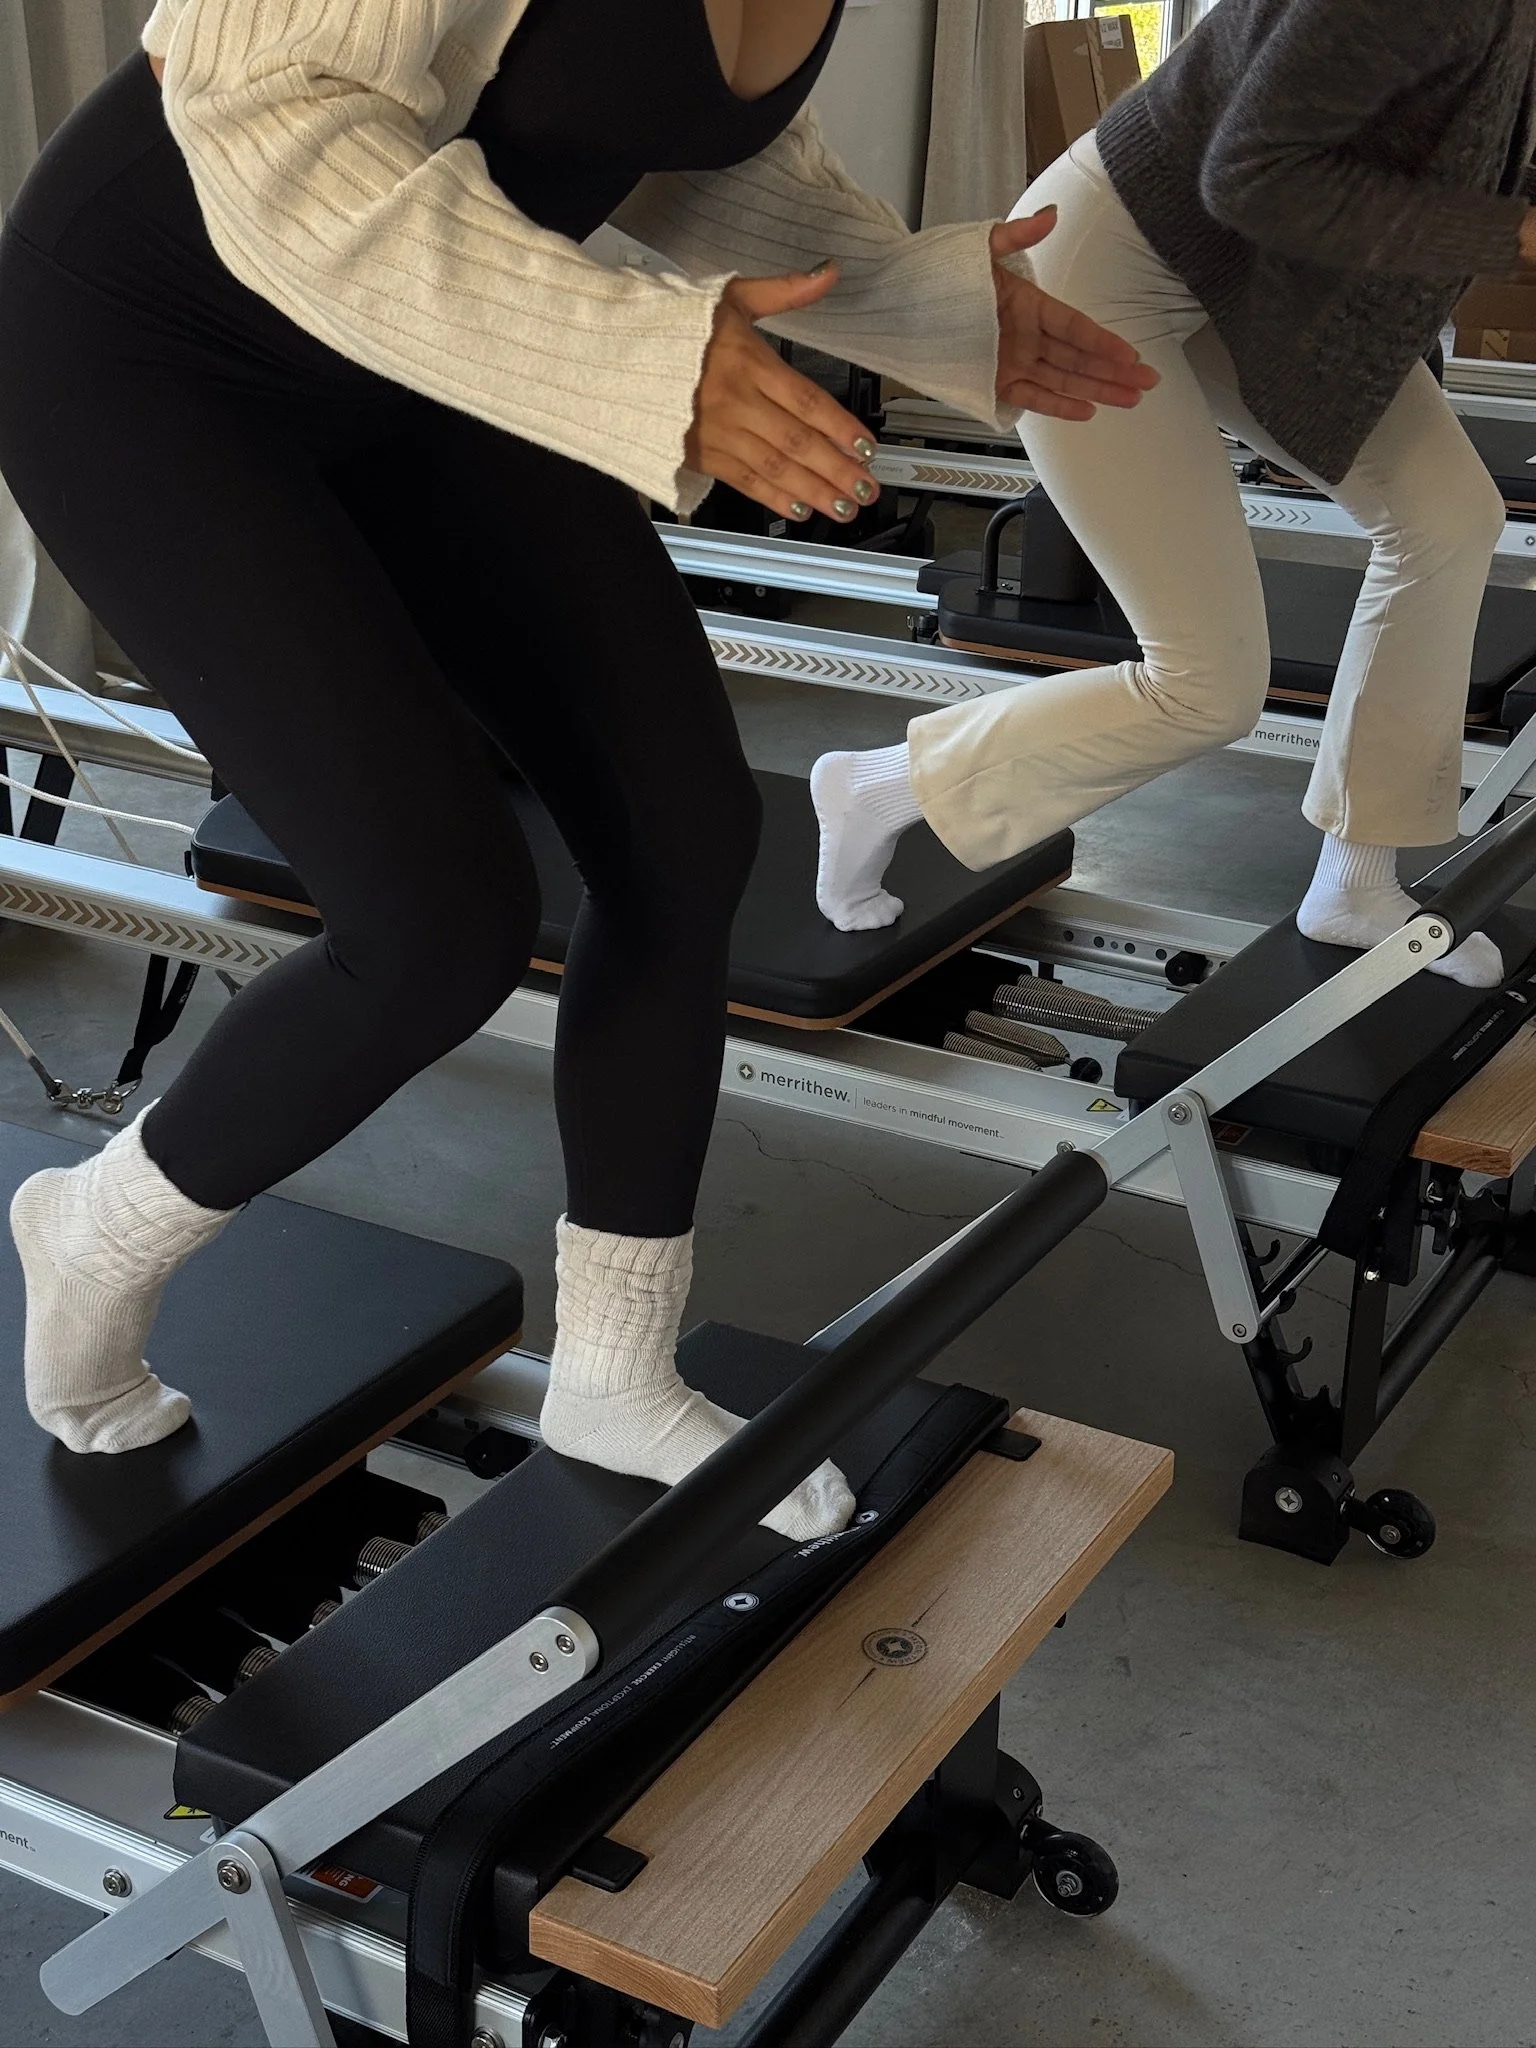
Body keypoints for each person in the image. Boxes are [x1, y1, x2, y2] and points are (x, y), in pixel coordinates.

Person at [0, 0, 1155, 1531]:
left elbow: (649, 143)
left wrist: (927, 305)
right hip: (153, 350)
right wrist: (638, 357)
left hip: (415, 333)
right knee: (434, 927)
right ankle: (99, 1225)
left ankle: (616, 1366)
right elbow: (253, 105)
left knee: (680, 836)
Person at [813, 0, 1536, 991]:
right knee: (1206, 683)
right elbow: (1256, 171)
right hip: (1114, 261)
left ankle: (1356, 882)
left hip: (1254, 273)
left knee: (1448, 513)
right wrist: (1514, 235)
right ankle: (878, 786)